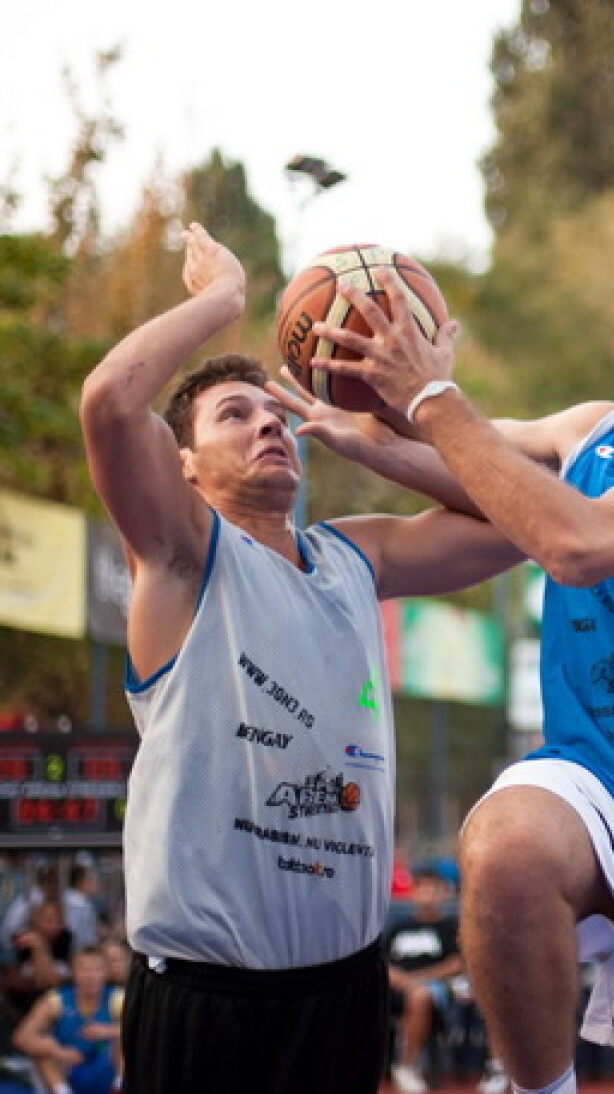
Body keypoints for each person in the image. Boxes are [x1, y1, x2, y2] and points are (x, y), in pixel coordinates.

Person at [305, 248, 614, 1092]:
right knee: (504, 847)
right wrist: (372, 394)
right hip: (598, 783)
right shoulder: (586, 431)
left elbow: (580, 544)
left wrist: (433, 398)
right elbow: (469, 465)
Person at [79, 224, 520, 1094]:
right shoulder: (181, 557)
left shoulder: (355, 557)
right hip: (206, 999)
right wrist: (223, 300)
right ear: (185, 467)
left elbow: (518, 520)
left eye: (278, 412)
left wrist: (401, 421)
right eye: (235, 415)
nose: (268, 425)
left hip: (343, 991)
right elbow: (107, 404)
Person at [385, 865, 466, 1094]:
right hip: (396, 987)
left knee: (421, 995)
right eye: (421, 888)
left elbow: (456, 964)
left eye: (433, 888)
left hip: (434, 990)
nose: (427, 893)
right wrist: (401, 980)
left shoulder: (450, 927)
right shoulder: (399, 928)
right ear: (412, 892)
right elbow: (382, 962)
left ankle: (406, 1067)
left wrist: (416, 980)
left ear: (443, 893)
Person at [12, 946, 121, 1094]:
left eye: (97, 969)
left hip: (107, 1067)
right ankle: (61, 1090)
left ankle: (119, 1085)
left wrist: (108, 1031)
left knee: (125, 1037)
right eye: (84, 970)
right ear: (74, 973)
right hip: (69, 1067)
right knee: (42, 1045)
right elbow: (21, 1037)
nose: (91, 976)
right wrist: (58, 1051)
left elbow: (147, 1031)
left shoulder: (117, 998)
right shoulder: (57, 1000)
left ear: (106, 973)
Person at [4, 901, 72, 1018]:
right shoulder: (23, 937)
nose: (53, 926)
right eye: (48, 921)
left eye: (58, 921)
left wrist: (39, 946)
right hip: (25, 1000)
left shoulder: (66, 938)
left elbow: (52, 982)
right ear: (36, 921)